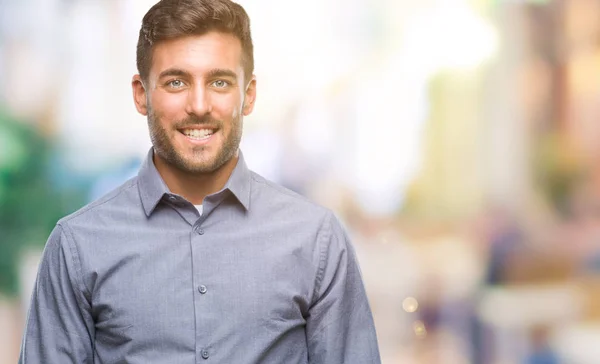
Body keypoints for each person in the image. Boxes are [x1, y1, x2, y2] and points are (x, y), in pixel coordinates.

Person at [18, 0, 381, 362]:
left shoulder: (316, 240)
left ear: (248, 95)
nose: (199, 104)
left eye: (219, 82)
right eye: (176, 82)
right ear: (141, 94)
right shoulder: (78, 246)